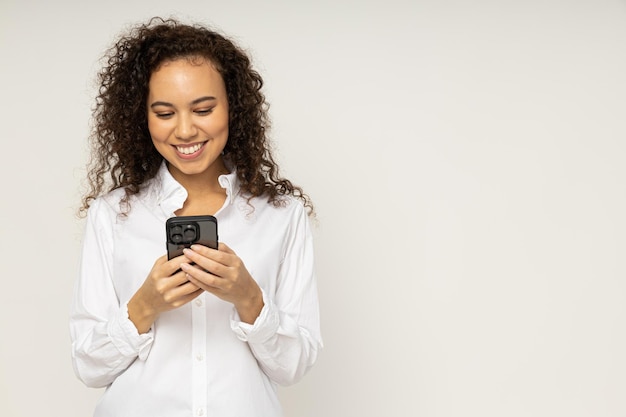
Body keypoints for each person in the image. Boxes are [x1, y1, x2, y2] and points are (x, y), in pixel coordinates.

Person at [70, 17, 322, 417]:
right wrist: (144, 306)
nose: (185, 130)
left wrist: (249, 299)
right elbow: (89, 366)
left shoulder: (281, 215)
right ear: (143, 117)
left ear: (233, 108)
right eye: (164, 113)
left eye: (203, 109)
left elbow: (292, 367)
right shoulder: (113, 215)